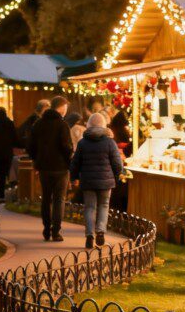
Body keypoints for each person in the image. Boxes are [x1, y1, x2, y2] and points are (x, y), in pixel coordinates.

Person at [70, 112, 124, 250]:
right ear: (104, 125)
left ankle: (89, 235)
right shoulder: (110, 142)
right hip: (106, 182)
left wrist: (74, 177)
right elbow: (117, 163)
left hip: (88, 181)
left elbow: (75, 162)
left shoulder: (82, 143)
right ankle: (100, 231)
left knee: (89, 207)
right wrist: (116, 175)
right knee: (104, 206)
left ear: (88, 125)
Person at [28, 95, 74, 242]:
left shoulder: (38, 124)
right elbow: (67, 146)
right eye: (65, 107)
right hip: (61, 168)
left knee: (46, 198)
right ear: (61, 107)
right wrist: (69, 160)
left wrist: (37, 160)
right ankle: (56, 231)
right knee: (59, 199)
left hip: (44, 168)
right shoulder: (62, 125)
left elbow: (30, 146)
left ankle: (46, 229)